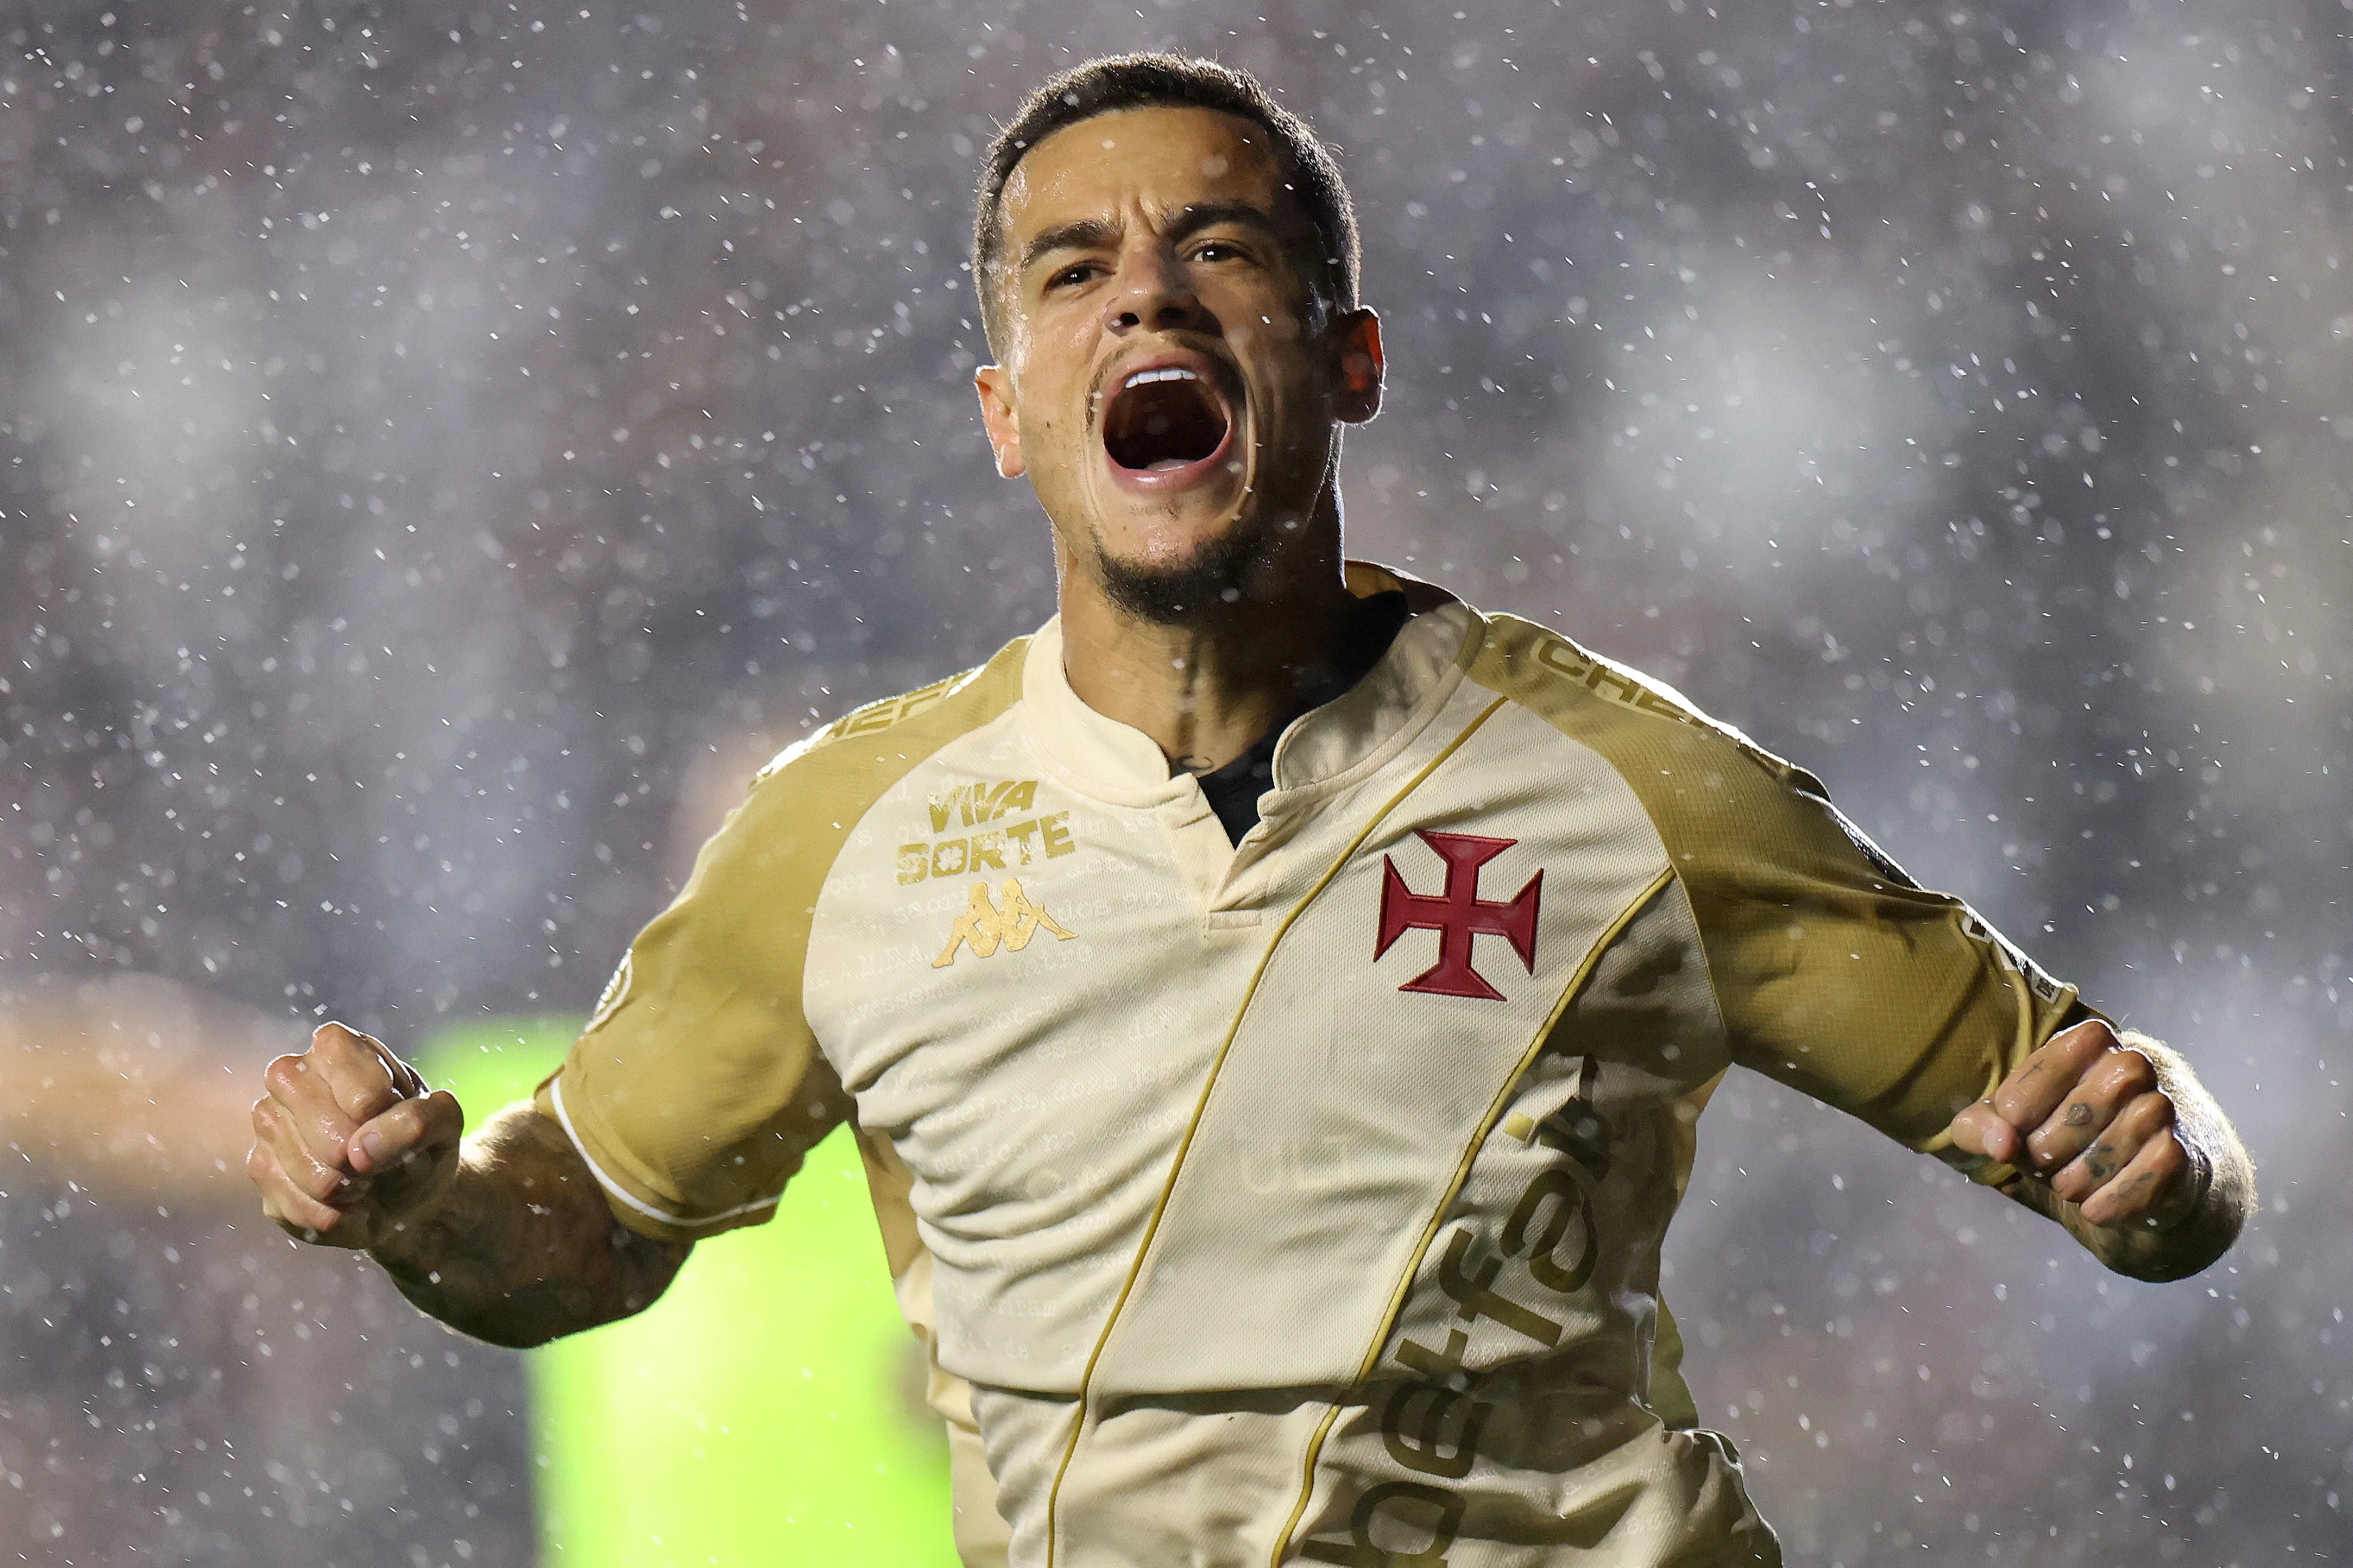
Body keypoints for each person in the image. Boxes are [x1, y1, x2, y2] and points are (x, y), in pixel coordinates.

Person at [247, 54, 2255, 1567]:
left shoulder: (1619, 784)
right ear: (1003, 408)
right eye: (1072, 272)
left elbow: (2121, 1126)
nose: (1149, 304)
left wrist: (2156, 1177)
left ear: (1347, 356)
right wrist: (422, 1202)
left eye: (1220, 254)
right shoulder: (846, 837)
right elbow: (575, 1239)